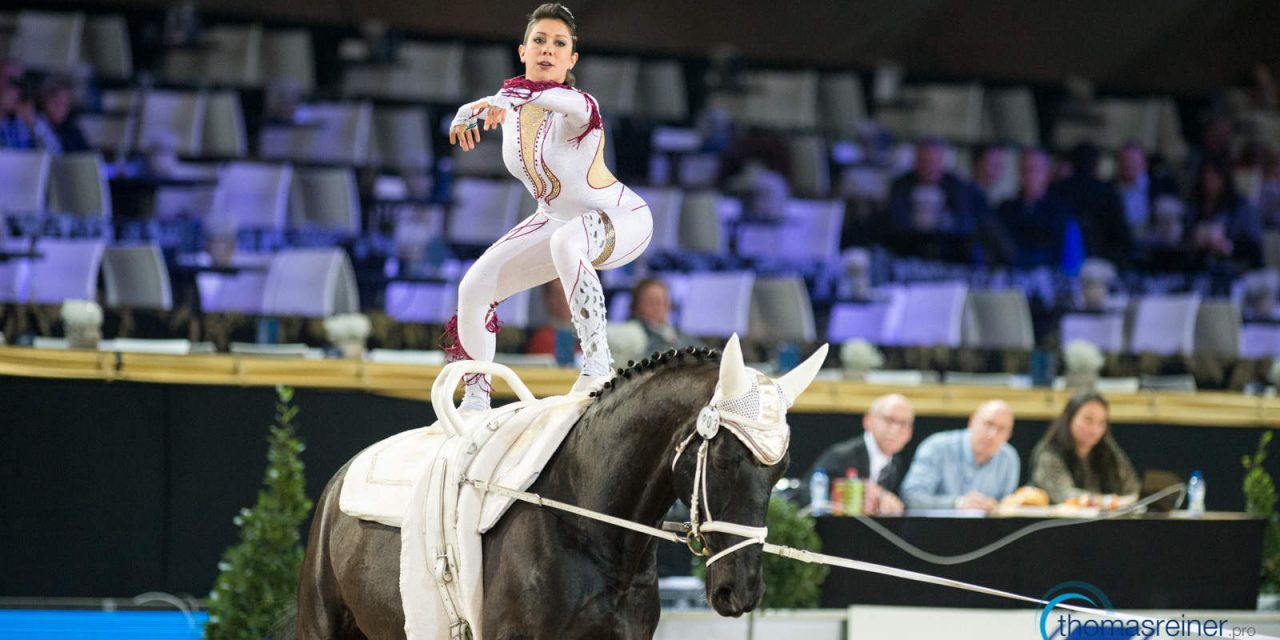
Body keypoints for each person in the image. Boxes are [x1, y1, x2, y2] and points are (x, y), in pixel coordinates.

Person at [445, 3, 652, 411]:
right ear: (522, 51)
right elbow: (506, 101)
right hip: (556, 220)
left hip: (622, 219)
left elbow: (538, 95)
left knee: (566, 242)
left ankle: (598, 366)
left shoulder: (580, 106)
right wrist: (470, 110)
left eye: (559, 44)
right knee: (474, 288)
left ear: (572, 58)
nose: (548, 50)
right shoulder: (507, 108)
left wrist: (492, 100)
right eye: (539, 40)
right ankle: (474, 400)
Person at [899, 400, 1019, 513]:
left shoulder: (1009, 458)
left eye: (1001, 429)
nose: (992, 434)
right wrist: (956, 503)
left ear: (1008, 435)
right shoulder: (937, 447)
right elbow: (911, 496)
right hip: (933, 529)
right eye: (988, 424)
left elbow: (1006, 506)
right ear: (972, 421)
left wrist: (993, 506)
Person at [805, 393, 914, 515]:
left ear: (910, 433)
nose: (895, 429)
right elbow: (806, 496)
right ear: (868, 421)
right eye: (889, 420)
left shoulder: (896, 463)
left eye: (903, 424)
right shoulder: (842, 456)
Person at [1029, 392, 1140, 504]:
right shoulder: (1049, 451)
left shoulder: (1108, 451)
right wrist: (1109, 502)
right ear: (1069, 419)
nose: (1094, 429)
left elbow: (1133, 489)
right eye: (1088, 420)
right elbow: (1064, 495)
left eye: (1101, 422)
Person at [989, 147, 1073, 267]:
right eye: (1024, 170)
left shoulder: (1059, 210)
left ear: (1047, 174)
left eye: (1035, 170)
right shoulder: (1006, 208)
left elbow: (1055, 253)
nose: (1029, 176)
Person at [36, 75, 89, 153]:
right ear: (43, 101)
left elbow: (87, 155)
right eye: (55, 102)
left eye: (64, 104)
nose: (59, 108)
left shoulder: (71, 130)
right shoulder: (34, 123)